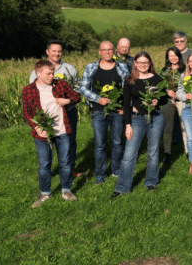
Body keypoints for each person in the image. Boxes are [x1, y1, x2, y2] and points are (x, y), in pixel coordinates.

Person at [22, 60, 81, 207]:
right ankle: (45, 193)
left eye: (52, 72)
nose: (51, 76)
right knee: (44, 164)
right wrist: (37, 128)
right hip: (43, 134)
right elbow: (27, 114)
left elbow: (77, 97)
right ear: (38, 73)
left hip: (62, 131)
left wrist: (66, 100)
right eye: (48, 73)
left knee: (65, 163)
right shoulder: (29, 90)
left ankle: (66, 190)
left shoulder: (60, 84)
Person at [112, 52, 168, 198]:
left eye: (146, 62)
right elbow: (126, 104)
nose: (143, 65)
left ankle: (151, 181)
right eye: (140, 62)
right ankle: (123, 187)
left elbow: (164, 99)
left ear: (150, 63)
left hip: (155, 118)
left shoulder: (157, 79)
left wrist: (157, 101)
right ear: (135, 63)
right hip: (136, 119)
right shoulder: (130, 80)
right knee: (129, 153)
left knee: (153, 151)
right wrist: (128, 125)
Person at [28, 40, 82, 177]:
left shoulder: (70, 69)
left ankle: (69, 168)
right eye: (54, 51)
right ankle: (47, 172)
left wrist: (67, 101)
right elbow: (33, 93)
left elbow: (78, 88)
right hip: (46, 115)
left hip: (68, 111)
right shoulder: (37, 71)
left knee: (70, 140)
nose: (57, 53)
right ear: (47, 52)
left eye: (59, 51)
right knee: (47, 141)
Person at [79, 41, 130, 184]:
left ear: (114, 51)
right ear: (99, 52)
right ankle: (100, 173)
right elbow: (83, 88)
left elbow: (127, 88)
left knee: (117, 142)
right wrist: (98, 99)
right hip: (99, 111)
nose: (107, 52)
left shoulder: (122, 66)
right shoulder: (91, 67)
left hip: (117, 111)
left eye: (110, 50)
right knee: (100, 144)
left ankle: (116, 169)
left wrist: (125, 107)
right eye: (104, 50)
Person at [160, 47, 186, 165]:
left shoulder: (185, 69)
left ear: (179, 56)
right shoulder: (164, 71)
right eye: (171, 55)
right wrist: (167, 91)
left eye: (175, 55)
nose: (173, 58)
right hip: (169, 101)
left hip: (182, 100)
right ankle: (167, 153)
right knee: (168, 126)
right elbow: (160, 86)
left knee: (184, 126)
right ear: (167, 58)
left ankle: (188, 151)